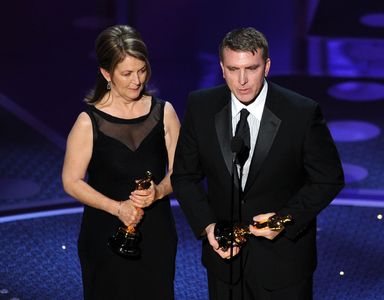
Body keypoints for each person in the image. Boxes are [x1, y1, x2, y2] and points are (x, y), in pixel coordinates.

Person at [171, 27, 344, 299]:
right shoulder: (201, 105)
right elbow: (184, 176)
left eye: (251, 68)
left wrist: (284, 219)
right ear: (222, 68)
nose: (242, 80)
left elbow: (328, 178)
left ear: (267, 66)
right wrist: (208, 226)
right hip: (224, 260)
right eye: (233, 69)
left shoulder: (301, 111)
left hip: (283, 264)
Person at [62, 25, 180, 299]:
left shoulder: (164, 112)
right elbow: (71, 181)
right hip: (105, 233)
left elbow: (181, 171)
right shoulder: (88, 122)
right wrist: (117, 208)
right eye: (127, 73)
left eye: (142, 70)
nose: (137, 80)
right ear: (106, 73)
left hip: (156, 232)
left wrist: (159, 192)